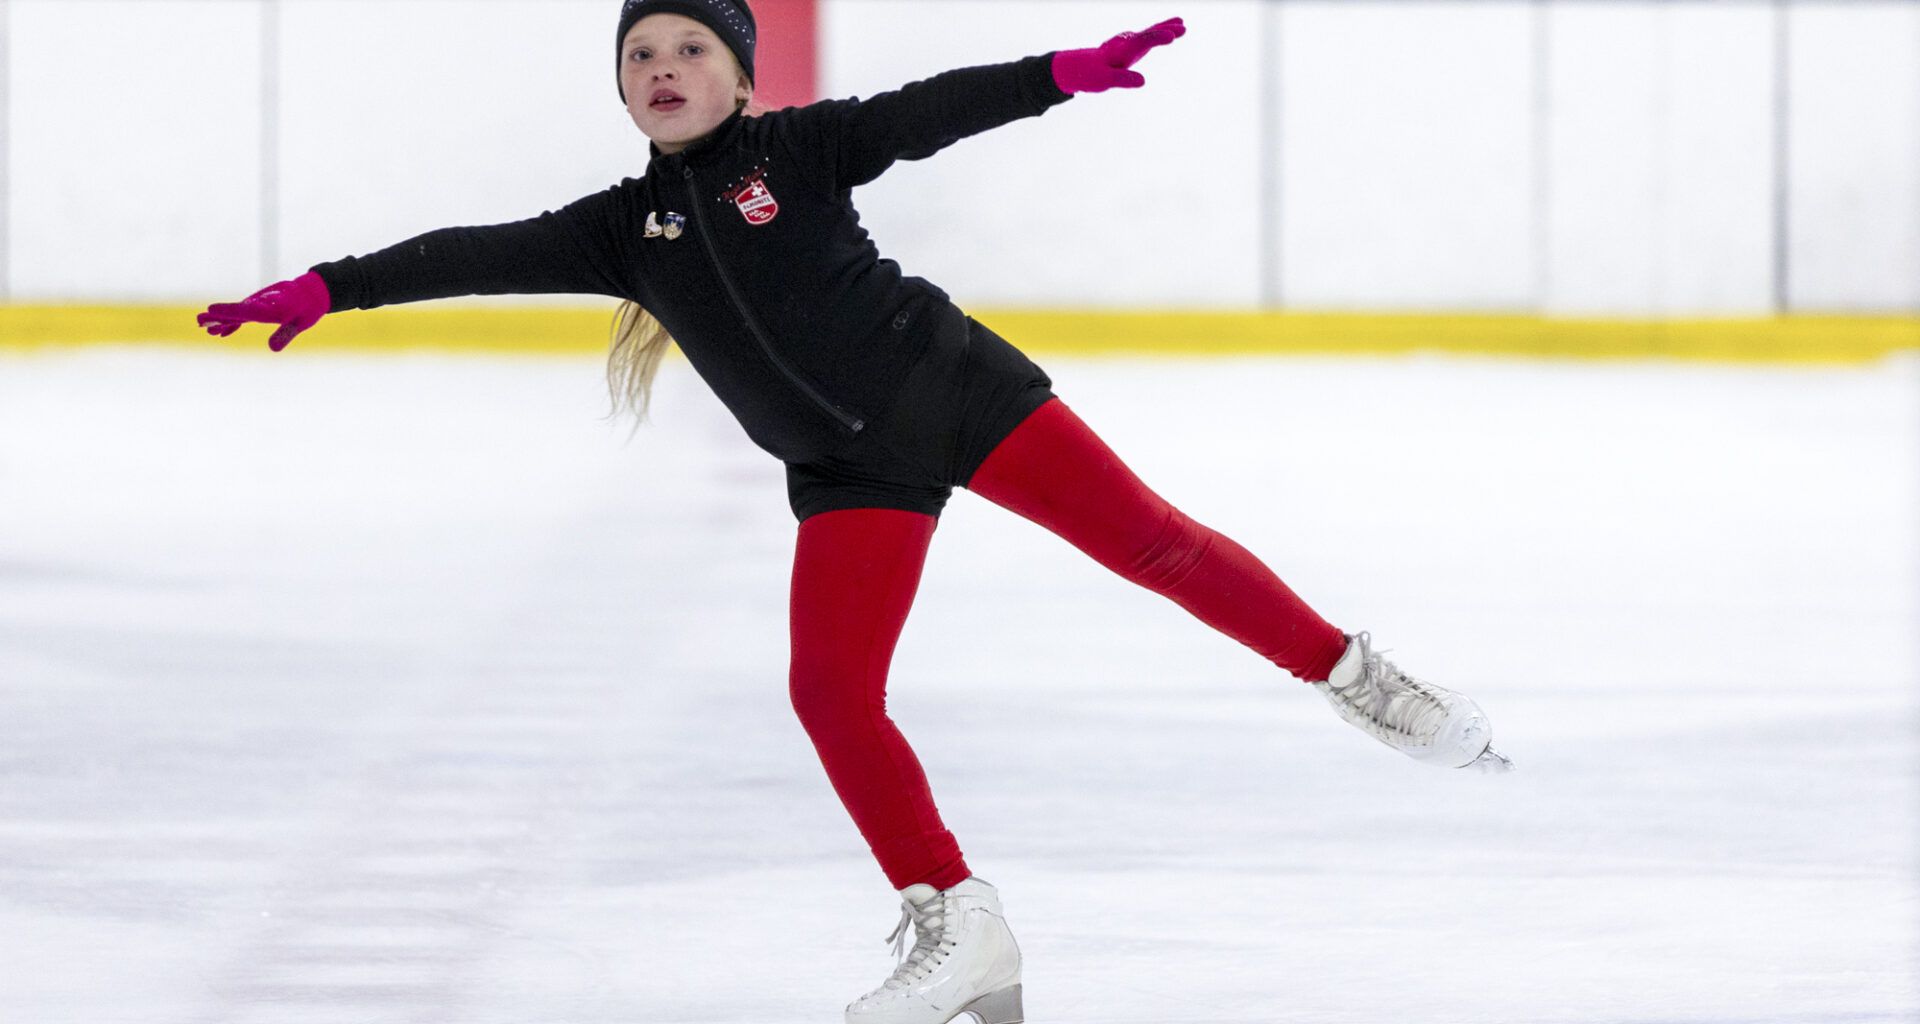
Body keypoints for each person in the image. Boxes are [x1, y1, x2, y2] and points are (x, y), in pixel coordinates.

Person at [199, 2, 1511, 1021]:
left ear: (741, 74)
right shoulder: (615, 231)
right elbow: (466, 257)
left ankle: (1356, 674)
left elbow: (927, 109)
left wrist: (1054, 76)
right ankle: (956, 916)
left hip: (950, 388)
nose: (663, 67)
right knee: (829, 691)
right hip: (846, 475)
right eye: (639, 53)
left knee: (1152, 543)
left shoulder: (799, 150)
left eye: (691, 47)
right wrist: (327, 287)